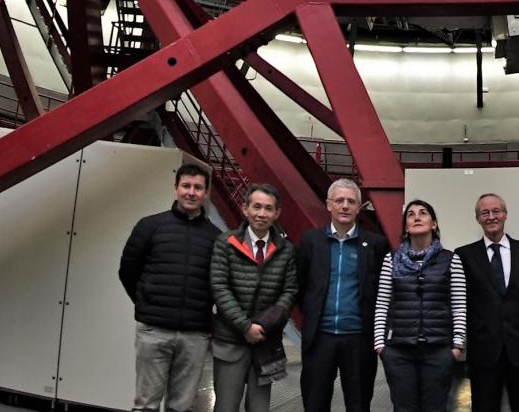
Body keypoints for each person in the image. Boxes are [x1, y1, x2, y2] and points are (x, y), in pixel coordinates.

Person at [119, 163, 220, 412]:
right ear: (175, 189)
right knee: (146, 404)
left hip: (194, 336)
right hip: (154, 331)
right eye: (186, 186)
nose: (191, 192)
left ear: (206, 193)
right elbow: (127, 271)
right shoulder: (149, 226)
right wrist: (146, 303)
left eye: (198, 188)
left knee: (181, 406)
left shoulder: (216, 237)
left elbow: (218, 283)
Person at [295, 179, 390, 412]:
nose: (345, 206)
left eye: (351, 201)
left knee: (358, 404)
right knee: (315, 403)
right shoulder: (311, 241)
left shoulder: (376, 244)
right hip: (320, 339)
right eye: (339, 201)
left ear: (359, 207)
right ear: (329, 205)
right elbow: (300, 286)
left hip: (359, 340)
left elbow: (384, 291)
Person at [209, 183, 299, 412]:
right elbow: (219, 287)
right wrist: (245, 326)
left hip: (265, 343)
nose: (261, 213)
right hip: (230, 341)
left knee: (259, 407)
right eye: (256, 207)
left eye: (268, 208)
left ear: (276, 213)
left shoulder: (286, 250)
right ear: (245, 208)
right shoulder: (226, 243)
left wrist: (262, 326)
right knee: (226, 406)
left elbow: (289, 292)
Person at [374, 199, 468, 412]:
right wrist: (380, 346)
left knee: (435, 408)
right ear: (406, 226)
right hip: (398, 351)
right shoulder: (391, 259)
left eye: (423, 213)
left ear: (434, 224)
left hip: (438, 350)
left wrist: (456, 347)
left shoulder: (451, 260)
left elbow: (459, 305)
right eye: (411, 214)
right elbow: (382, 303)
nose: (416, 217)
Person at [455, 193, 519, 412]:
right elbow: (462, 300)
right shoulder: (464, 255)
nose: (491, 216)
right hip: (484, 351)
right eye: (484, 213)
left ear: (505, 214)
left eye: (496, 211)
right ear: (478, 218)